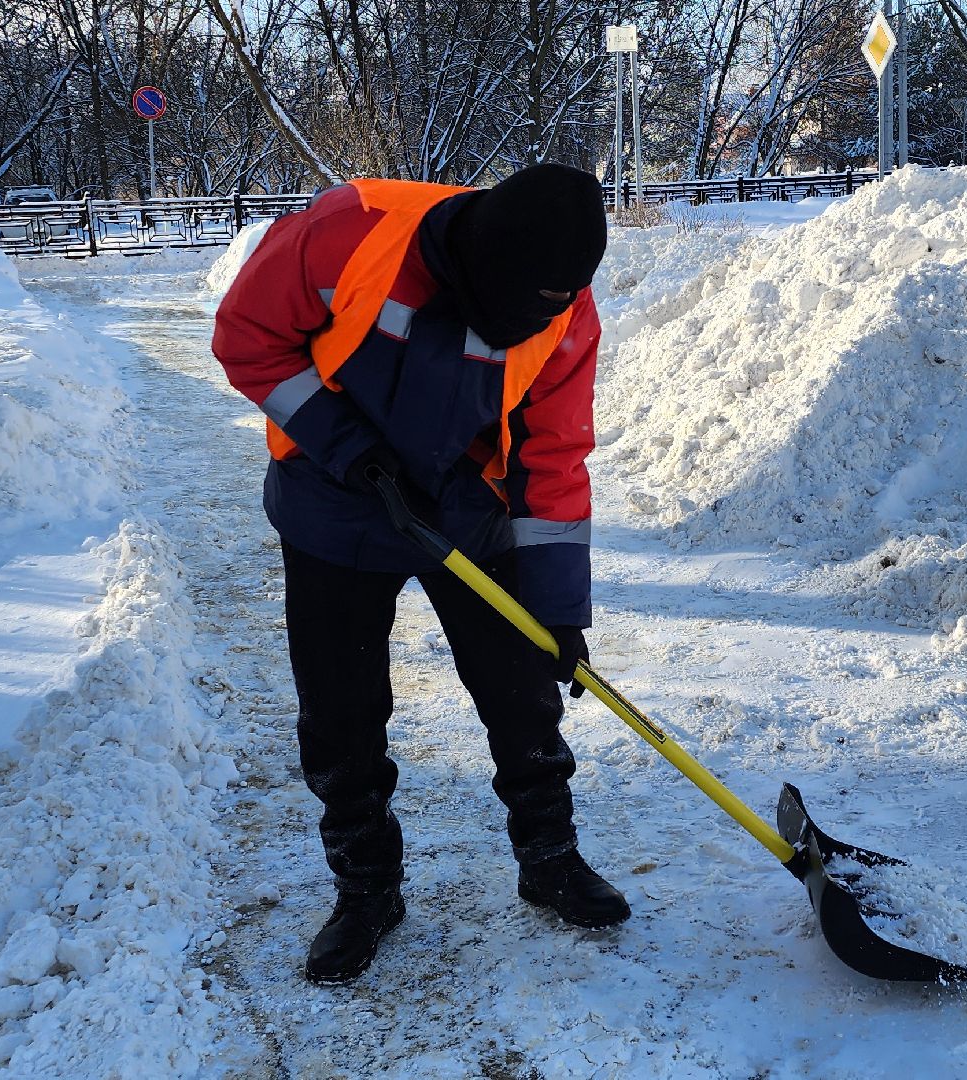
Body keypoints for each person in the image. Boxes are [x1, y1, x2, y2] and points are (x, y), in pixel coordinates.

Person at [212, 163, 626, 985]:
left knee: (521, 693)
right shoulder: (348, 233)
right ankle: (366, 886)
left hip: (469, 507)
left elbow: (552, 453)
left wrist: (557, 609)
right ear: (480, 267)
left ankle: (549, 857)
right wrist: (349, 449)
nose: (535, 320)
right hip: (333, 498)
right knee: (341, 708)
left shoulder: (565, 309)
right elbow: (246, 340)